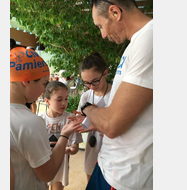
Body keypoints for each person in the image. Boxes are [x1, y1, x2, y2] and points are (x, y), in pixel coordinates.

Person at [69, 0, 153, 189]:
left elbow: (111, 124)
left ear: (115, 12)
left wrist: (88, 108)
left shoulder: (150, 38)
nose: (103, 35)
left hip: (124, 175)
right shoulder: (136, 43)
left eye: (100, 26)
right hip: (111, 165)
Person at [10, 47, 83, 190]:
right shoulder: (30, 122)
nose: (44, 90)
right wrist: (64, 135)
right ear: (26, 81)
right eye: (44, 84)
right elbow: (48, 174)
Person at [39, 81, 83, 190]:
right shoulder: (39, 120)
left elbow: (75, 147)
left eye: (66, 99)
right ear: (47, 101)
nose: (64, 103)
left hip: (61, 166)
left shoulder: (70, 119)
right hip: (42, 164)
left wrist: (70, 150)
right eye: (59, 99)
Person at [75, 52, 112, 182]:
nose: (91, 86)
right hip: (92, 148)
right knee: (91, 180)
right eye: (86, 83)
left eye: (95, 81)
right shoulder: (86, 96)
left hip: (111, 149)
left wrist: (96, 126)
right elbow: (82, 122)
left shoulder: (115, 95)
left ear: (105, 73)